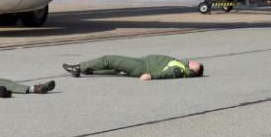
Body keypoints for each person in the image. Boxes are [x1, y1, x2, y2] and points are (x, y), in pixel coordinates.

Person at [63, 55, 203, 80]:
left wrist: (151, 76)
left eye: (197, 64)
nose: (194, 61)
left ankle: (78, 67)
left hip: (141, 66)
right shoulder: (182, 65)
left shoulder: (180, 70)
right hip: (141, 62)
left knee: (109, 59)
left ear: (195, 69)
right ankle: (89, 70)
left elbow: (167, 74)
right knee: (115, 69)